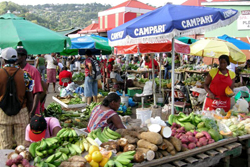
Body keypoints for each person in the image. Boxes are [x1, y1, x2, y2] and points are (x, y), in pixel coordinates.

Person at [0, 47, 34, 149]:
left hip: (3, 113)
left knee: (5, 146)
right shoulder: (25, 75)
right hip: (21, 112)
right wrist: (29, 113)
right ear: (16, 59)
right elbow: (30, 98)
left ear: (3, 59)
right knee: (22, 147)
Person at [16, 48, 44, 116]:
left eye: (17, 56)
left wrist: (32, 111)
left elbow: (37, 92)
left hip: (31, 109)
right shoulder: (16, 70)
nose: (16, 58)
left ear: (24, 57)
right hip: (21, 109)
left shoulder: (33, 71)